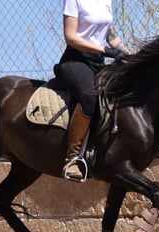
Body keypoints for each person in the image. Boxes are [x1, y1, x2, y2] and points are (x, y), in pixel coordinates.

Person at [54, 0, 130, 181]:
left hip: (98, 63)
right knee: (90, 97)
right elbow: (70, 37)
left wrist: (131, 56)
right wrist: (104, 50)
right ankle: (72, 158)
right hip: (75, 61)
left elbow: (111, 36)